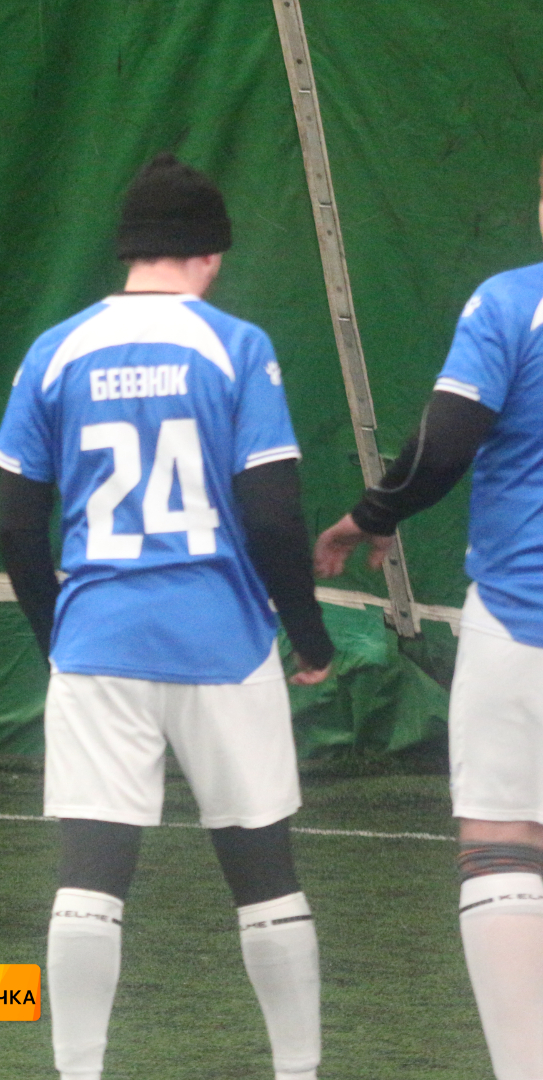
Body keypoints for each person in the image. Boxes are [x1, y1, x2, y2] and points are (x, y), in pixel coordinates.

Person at [0, 154, 334, 1080]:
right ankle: (297, 1071)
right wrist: (308, 639)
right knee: (264, 876)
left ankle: (78, 1072)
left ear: (129, 250)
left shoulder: (56, 349)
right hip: (223, 641)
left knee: (89, 879)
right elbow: (274, 517)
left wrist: (58, 637)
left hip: (97, 642)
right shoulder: (237, 346)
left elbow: (15, 524)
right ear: (210, 254)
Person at [314, 158, 543, 1080]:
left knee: (502, 842)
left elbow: (444, 445)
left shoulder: (511, 304)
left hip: (521, 622)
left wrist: (371, 516)